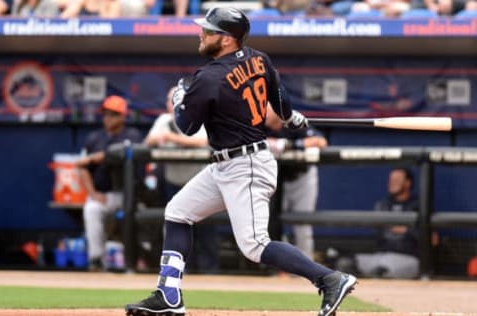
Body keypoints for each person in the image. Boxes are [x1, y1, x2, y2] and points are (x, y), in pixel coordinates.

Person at [125, 7, 356, 316]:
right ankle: (169, 294)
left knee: (255, 245)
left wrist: (181, 99)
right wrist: (292, 117)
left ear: (227, 39)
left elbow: (187, 126)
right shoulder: (259, 59)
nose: (201, 34)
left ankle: (329, 279)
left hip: (244, 164)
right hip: (228, 163)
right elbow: (281, 102)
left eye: (208, 31)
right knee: (178, 213)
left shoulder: (208, 77)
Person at [144, 86, 220, 273]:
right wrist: (162, 136)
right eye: (170, 101)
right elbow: (148, 142)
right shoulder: (164, 120)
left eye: (176, 100)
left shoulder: (198, 118)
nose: (173, 105)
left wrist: (171, 138)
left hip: (200, 182)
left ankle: (211, 274)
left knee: (205, 231)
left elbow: (203, 142)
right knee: (179, 228)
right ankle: (184, 272)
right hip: (173, 181)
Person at [77, 95, 142, 271]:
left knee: (138, 217)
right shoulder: (94, 138)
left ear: (122, 116)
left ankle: (136, 261)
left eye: (113, 114)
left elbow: (121, 153)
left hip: (127, 195)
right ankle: (96, 259)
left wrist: (98, 157)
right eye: (105, 114)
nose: (108, 118)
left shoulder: (132, 135)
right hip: (102, 194)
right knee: (91, 209)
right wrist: (92, 194)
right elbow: (82, 167)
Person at [265, 105, 328, 260]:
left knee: (302, 225)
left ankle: (307, 266)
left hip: (301, 177)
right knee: (270, 223)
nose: (263, 112)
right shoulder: (256, 123)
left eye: (266, 108)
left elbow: (321, 141)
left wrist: (290, 145)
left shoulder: (292, 120)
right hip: (274, 180)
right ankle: (277, 267)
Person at [338, 167, 420, 279]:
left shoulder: (419, 205)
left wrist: (407, 230)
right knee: (345, 264)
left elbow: (433, 240)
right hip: (380, 256)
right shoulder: (383, 205)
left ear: (407, 183)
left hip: (406, 258)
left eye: (397, 180)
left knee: (381, 272)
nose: (392, 183)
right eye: (391, 180)